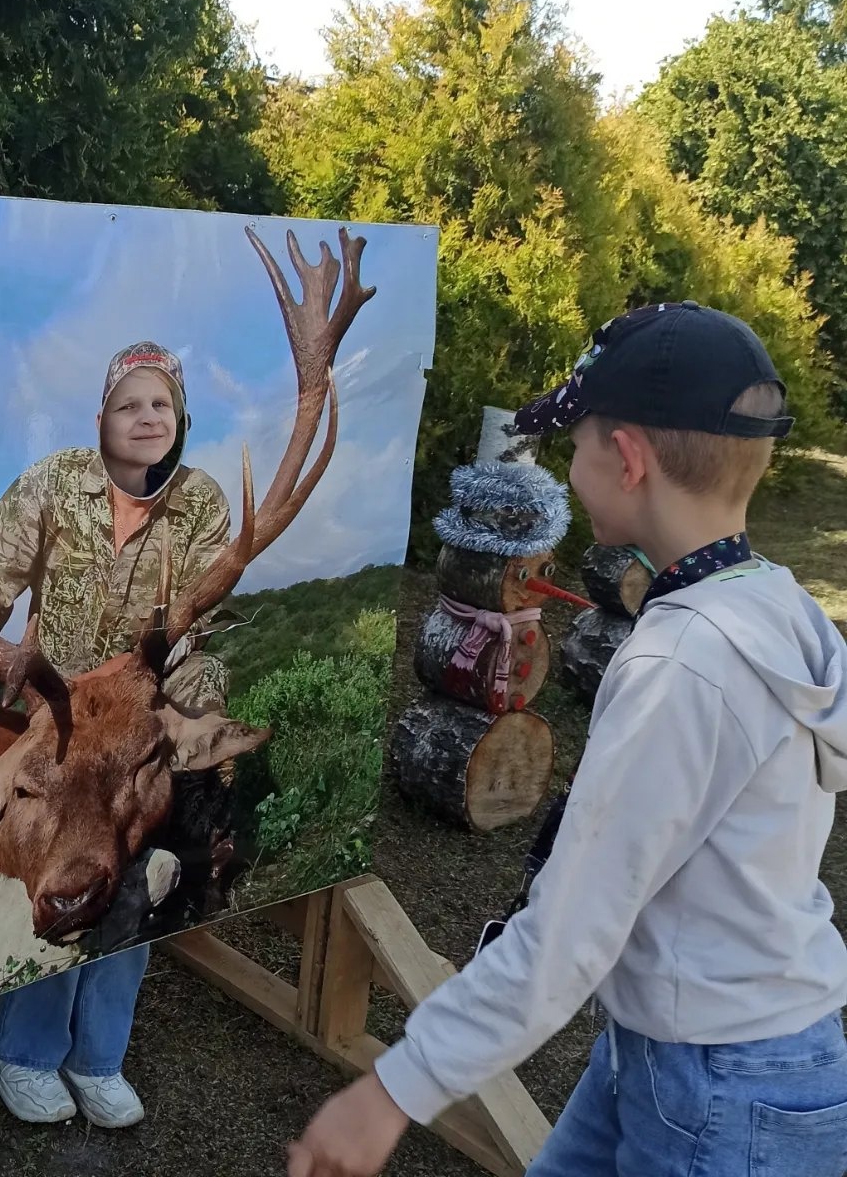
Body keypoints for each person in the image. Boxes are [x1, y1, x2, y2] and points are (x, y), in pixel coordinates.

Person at [289, 300, 847, 1177]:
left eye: (578, 444)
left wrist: (394, 1089)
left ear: (624, 460)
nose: (570, 470)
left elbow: (568, 936)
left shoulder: (682, 665)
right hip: (689, 1046)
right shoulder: (773, 600)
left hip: (718, 1090)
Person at [0, 340, 234, 1129]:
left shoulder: (202, 502)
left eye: (161, 404)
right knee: (57, 869)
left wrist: (155, 705)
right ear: (101, 418)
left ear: (181, 420)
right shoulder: (54, 483)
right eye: (129, 403)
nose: (146, 417)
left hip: (137, 718)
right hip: (54, 724)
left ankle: (98, 1057)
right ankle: (23, 1052)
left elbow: (199, 624)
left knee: (140, 867)